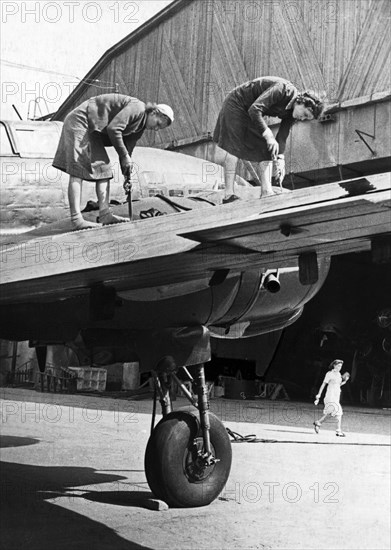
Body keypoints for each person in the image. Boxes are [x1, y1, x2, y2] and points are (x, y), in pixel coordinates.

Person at [53, 94, 174, 230]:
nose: (156, 129)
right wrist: (124, 156)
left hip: (94, 129)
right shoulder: (137, 108)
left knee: (104, 169)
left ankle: (105, 214)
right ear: (154, 112)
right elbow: (114, 129)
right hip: (81, 121)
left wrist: (126, 172)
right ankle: (76, 219)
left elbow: (127, 152)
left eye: (160, 128)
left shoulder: (139, 128)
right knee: (78, 169)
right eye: (158, 124)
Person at [212, 76, 324, 202]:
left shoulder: (293, 114)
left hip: (249, 111)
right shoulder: (282, 89)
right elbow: (255, 109)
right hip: (236, 103)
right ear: (301, 102)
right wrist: (268, 134)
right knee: (233, 147)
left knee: (268, 147)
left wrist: (281, 160)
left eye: (305, 119)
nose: (302, 118)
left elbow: (282, 136)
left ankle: (266, 192)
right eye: (304, 114)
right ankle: (228, 194)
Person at [313, 359, 350, 437]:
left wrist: (345, 381)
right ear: (334, 365)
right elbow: (323, 384)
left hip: (336, 396)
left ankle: (318, 423)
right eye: (338, 366)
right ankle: (338, 431)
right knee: (338, 412)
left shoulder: (339, 374)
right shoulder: (329, 374)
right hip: (330, 396)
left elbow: (338, 385)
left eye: (341, 366)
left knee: (333, 413)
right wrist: (319, 394)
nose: (340, 367)